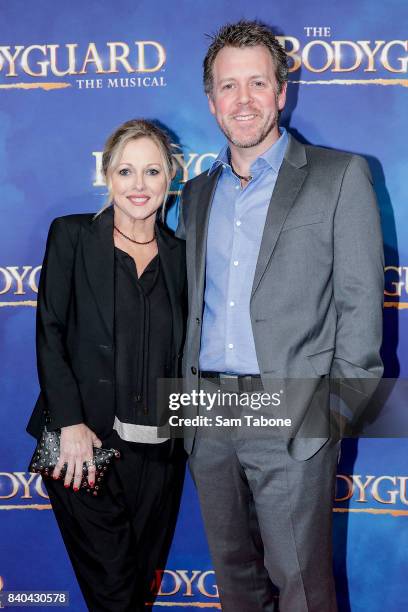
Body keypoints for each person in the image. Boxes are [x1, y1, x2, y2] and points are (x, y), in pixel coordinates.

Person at [176, 20, 384, 612]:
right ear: (212, 100)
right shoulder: (196, 194)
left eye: (257, 83)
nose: (243, 100)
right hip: (208, 414)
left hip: (293, 414)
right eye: (228, 86)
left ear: (281, 91)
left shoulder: (339, 176)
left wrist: (328, 421)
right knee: (234, 584)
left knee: (302, 588)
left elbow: (361, 314)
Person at [27, 119, 186, 612]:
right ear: (107, 176)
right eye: (126, 171)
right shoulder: (72, 236)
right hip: (83, 445)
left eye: (152, 171)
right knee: (115, 590)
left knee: (135, 589)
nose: (139, 186)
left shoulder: (183, 256)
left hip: (160, 454)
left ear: (171, 178)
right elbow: (50, 330)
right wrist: (70, 421)